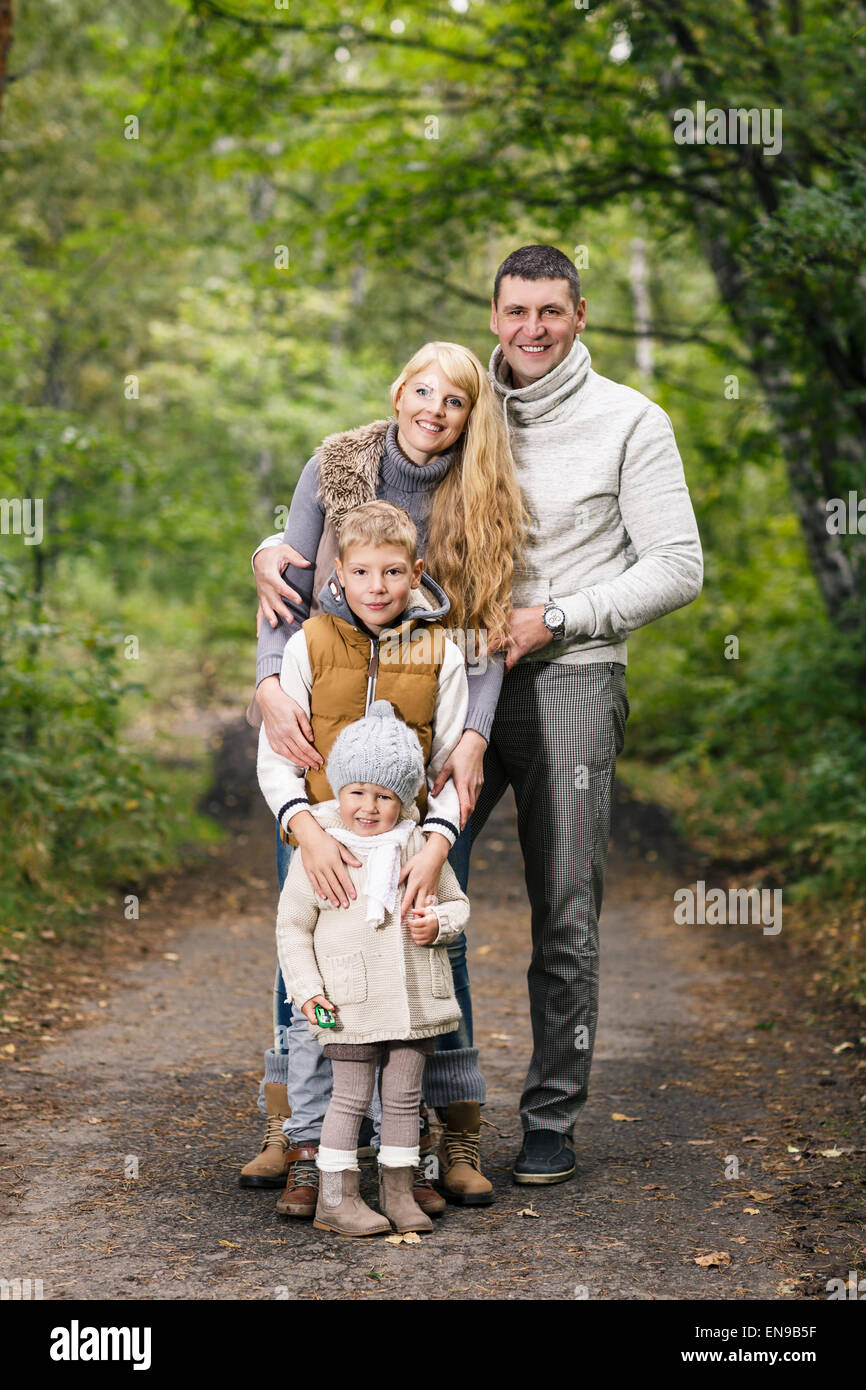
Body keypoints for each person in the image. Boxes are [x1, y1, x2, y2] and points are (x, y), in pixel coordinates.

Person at [246, 378, 526, 1211]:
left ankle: (437, 1143)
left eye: (392, 573)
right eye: (360, 571)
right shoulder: (312, 637)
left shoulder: (441, 643)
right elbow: (279, 749)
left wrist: (436, 841)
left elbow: (447, 760)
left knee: (429, 966)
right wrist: (305, 825)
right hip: (322, 831)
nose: (375, 585)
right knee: (313, 982)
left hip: (407, 839)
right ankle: (304, 1140)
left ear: (414, 575)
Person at [464, 244, 703, 1184]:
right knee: (410, 886)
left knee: (564, 912)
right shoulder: (465, 409)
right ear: (494, 317)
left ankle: (551, 1119)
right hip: (462, 679)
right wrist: (277, 541)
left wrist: (556, 616)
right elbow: (375, 483)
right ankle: (428, 1111)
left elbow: (678, 566)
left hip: (573, 678)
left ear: (581, 314)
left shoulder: (631, 423)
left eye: (551, 312)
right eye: (516, 311)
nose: (532, 329)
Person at [276, 700, 471, 1238]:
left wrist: (439, 924)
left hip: (411, 1000)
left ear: (405, 796)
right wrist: (309, 992)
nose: (369, 806)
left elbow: (457, 904)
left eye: (385, 795)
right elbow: (292, 929)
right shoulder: (320, 846)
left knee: (406, 1098)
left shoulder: (417, 842)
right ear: (337, 789)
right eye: (357, 791)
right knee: (351, 1096)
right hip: (349, 1001)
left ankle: (398, 1192)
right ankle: (335, 1200)